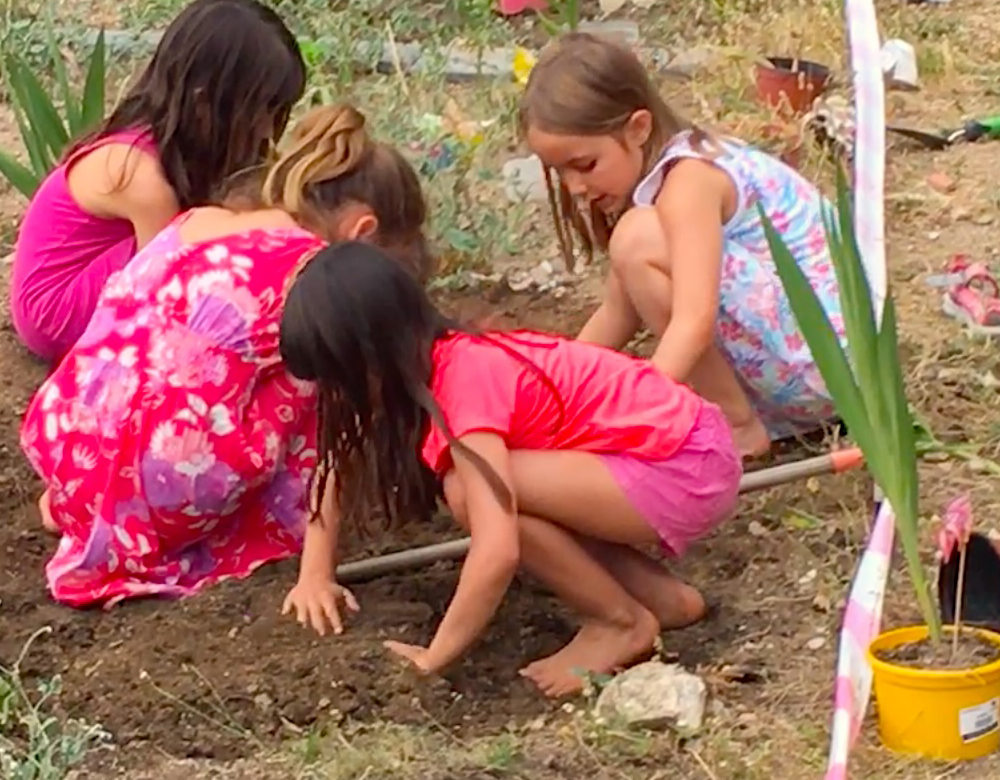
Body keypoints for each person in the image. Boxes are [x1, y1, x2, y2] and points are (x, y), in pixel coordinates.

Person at [277, 242, 739, 698]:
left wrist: (434, 656)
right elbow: (338, 459)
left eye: (338, 378)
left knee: (471, 493)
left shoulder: (462, 383)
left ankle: (618, 622)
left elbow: (497, 550)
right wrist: (315, 574)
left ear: (373, 352)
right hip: (683, 450)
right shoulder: (439, 359)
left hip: (682, 464)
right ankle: (664, 602)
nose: (334, 396)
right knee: (488, 491)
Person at [21, 105, 431, 608]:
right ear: (364, 231)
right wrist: (317, 574)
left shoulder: (201, 219)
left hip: (67, 439)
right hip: (164, 487)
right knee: (327, 376)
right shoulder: (312, 270)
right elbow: (340, 434)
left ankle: (88, 509)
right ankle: (184, 526)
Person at [518, 32, 858, 459]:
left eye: (584, 165)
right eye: (560, 172)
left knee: (636, 239)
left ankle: (737, 425)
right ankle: (743, 413)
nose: (576, 187)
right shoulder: (670, 177)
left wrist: (639, 409)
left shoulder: (688, 181)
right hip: (818, 368)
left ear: (638, 128)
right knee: (636, 241)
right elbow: (617, 314)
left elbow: (694, 319)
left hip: (826, 364)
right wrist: (556, 391)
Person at [9, 0, 308, 362]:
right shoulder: (142, 174)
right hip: (55, 310)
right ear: (203, 98)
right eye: (262, 111)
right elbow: (167, 285)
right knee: (210, 245)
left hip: (113, 271)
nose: (267, 130)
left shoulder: (179, 145)